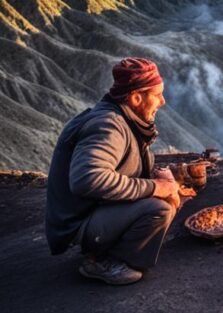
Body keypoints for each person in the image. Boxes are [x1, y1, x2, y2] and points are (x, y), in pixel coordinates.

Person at [45, 58, 182, 285]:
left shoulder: (124, 119)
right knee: (159, 208)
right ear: (136, 97)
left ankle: (109, 245)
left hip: (95, 210)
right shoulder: (108, 125)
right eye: (157, 95)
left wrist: (160, 178)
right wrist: (156, 187)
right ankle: (102, 261)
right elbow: (88, 179)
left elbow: (125, 166)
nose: (163, 101)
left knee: (168, 197)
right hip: (80, 222)